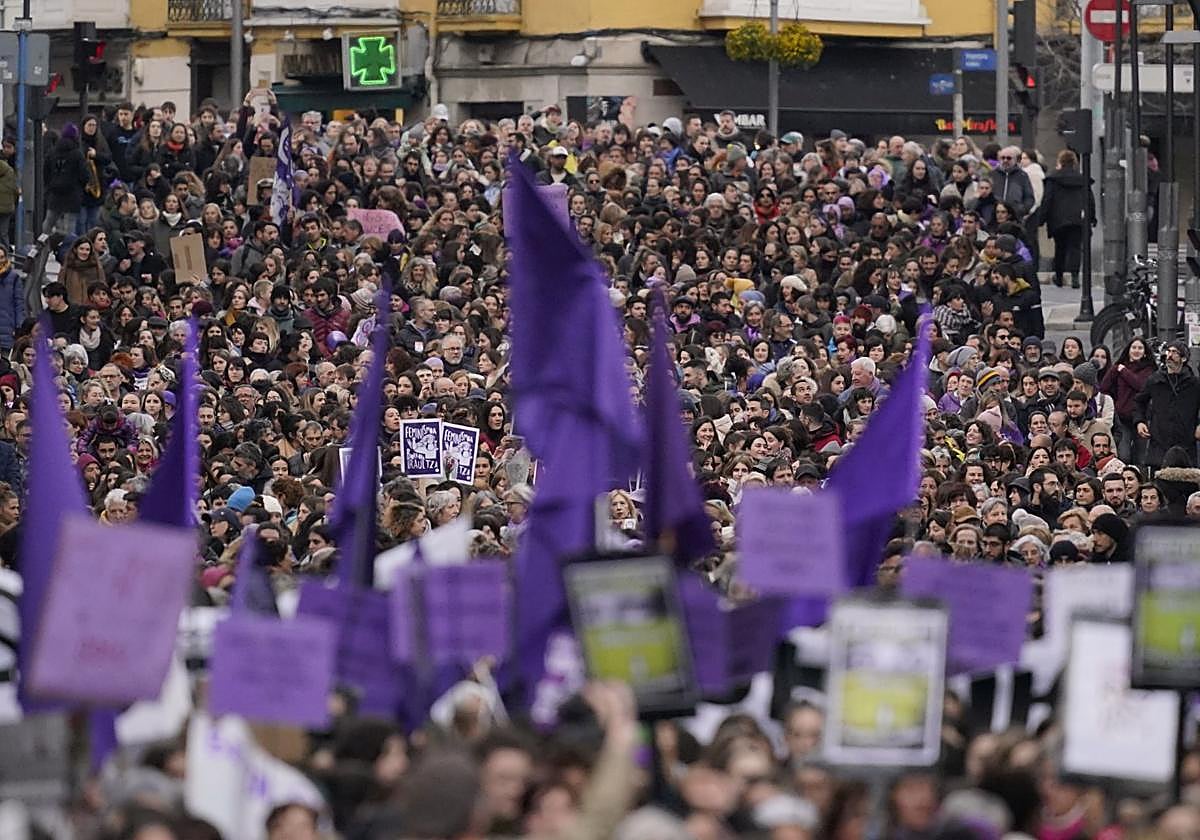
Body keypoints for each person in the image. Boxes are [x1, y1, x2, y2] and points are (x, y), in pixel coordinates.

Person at [1133, 341, 1200, 468]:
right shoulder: (1155, 380)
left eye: (1175, 352)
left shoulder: (1194, 384)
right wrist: (1139, 421)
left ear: (1184, 358)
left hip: (1186, 444)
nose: (1169, 355)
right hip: (1159, 444)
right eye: (1168, 351)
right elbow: (1139, 401)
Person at [1037, 149, 1092, 289]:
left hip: (1058, 218)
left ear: (1060, 162)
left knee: (1060, 247)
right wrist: (1092, 217)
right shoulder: (1082, 179)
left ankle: (1059, 276)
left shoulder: (1053, 179)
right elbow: (1090, 199)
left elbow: (1047, 200)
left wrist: (1041, 218)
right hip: (1077, 218)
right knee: (1075, 247)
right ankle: (1074, 277)